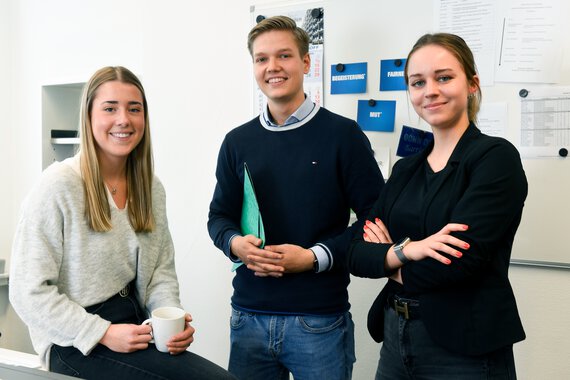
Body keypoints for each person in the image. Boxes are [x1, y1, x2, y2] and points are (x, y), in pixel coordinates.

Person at [9, 66, 235, 380]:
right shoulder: (58, 185)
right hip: (75, 342)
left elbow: (160, 273)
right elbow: (26, 292)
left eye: (134, 109)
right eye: (110, 108)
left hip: (136, 327)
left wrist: (170, 319)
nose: (123, 120)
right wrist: (102, 332)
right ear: (88, 117)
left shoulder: (150, 189)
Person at [207, 15, 384, 380]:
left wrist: (314, 258)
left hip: (317, 320)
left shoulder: (343, 135)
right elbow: (218, 217)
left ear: (306, 62)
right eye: (261, 59)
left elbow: (376, 218)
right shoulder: (237, 141)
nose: (272, 67)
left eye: (284, 56)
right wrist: (236, 244)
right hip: (248, 318)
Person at [348, 33, 527, 379]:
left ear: (472, 84)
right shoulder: (406, 169)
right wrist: (410, 250)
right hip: (395, 337)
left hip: (465, 347)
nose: (430, 90)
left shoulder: (495, 158)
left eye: (444, 77)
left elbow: (462, 261)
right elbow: (354, 250)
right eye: (418, 82)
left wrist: (388, 257)